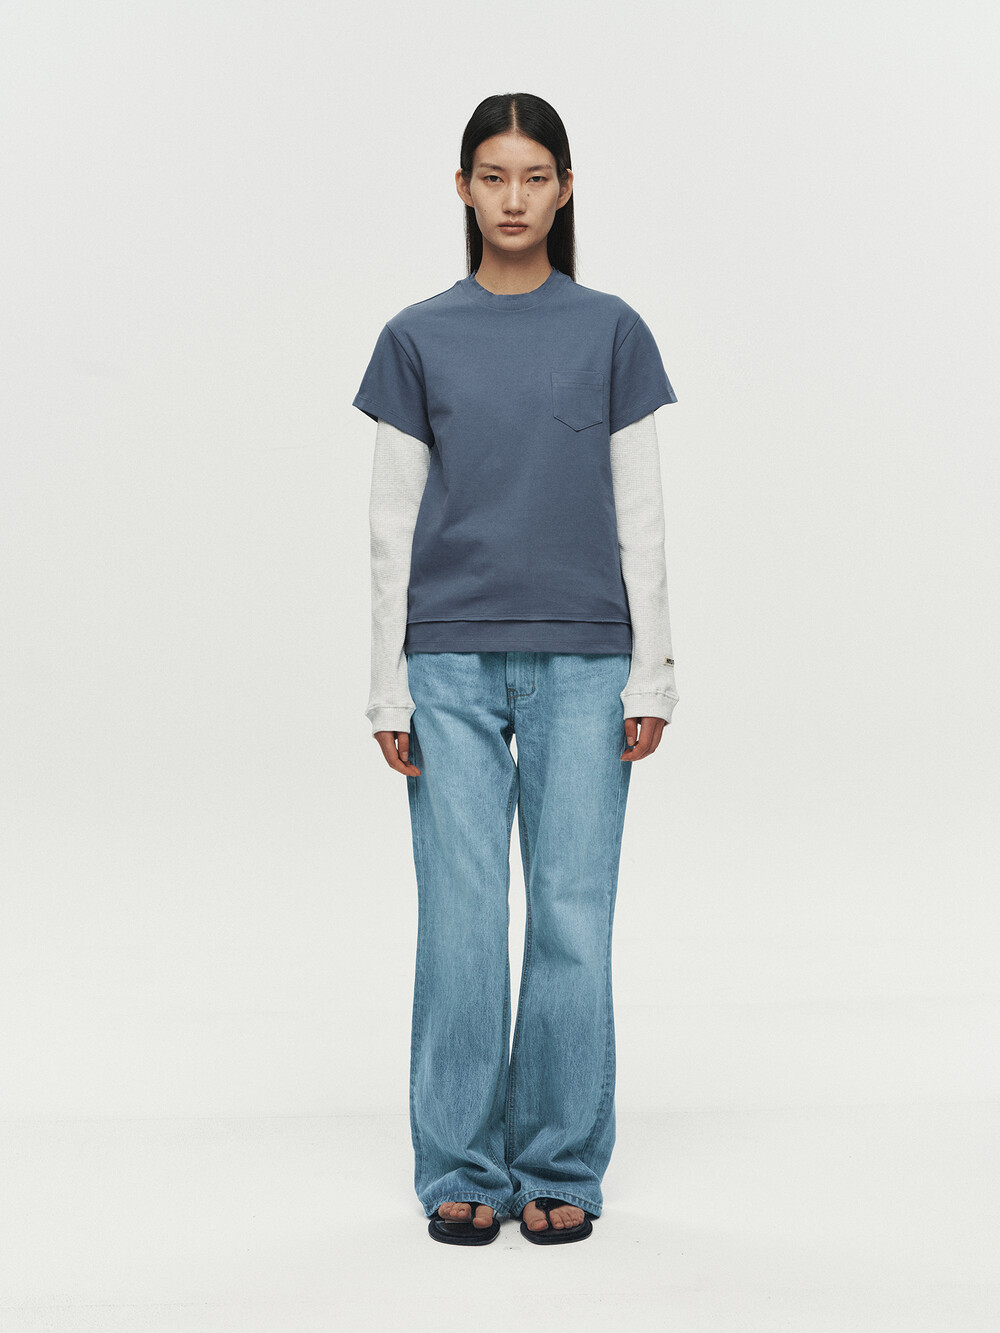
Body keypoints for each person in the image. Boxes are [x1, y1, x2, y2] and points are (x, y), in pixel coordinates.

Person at [352, 92, 680, 1246]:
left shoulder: (611, 332)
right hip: (446, 662)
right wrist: (386, 685)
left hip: (587, 661)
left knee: (572, 918)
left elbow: (641, 514)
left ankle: (558, 1164)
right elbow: (390, 526)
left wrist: (654, 672)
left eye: (534, 176)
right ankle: (458, 1163)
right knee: (459, 921)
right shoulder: (416, 337)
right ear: (462, 189)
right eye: (492, 176)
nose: (513, 198)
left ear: (565, 189)